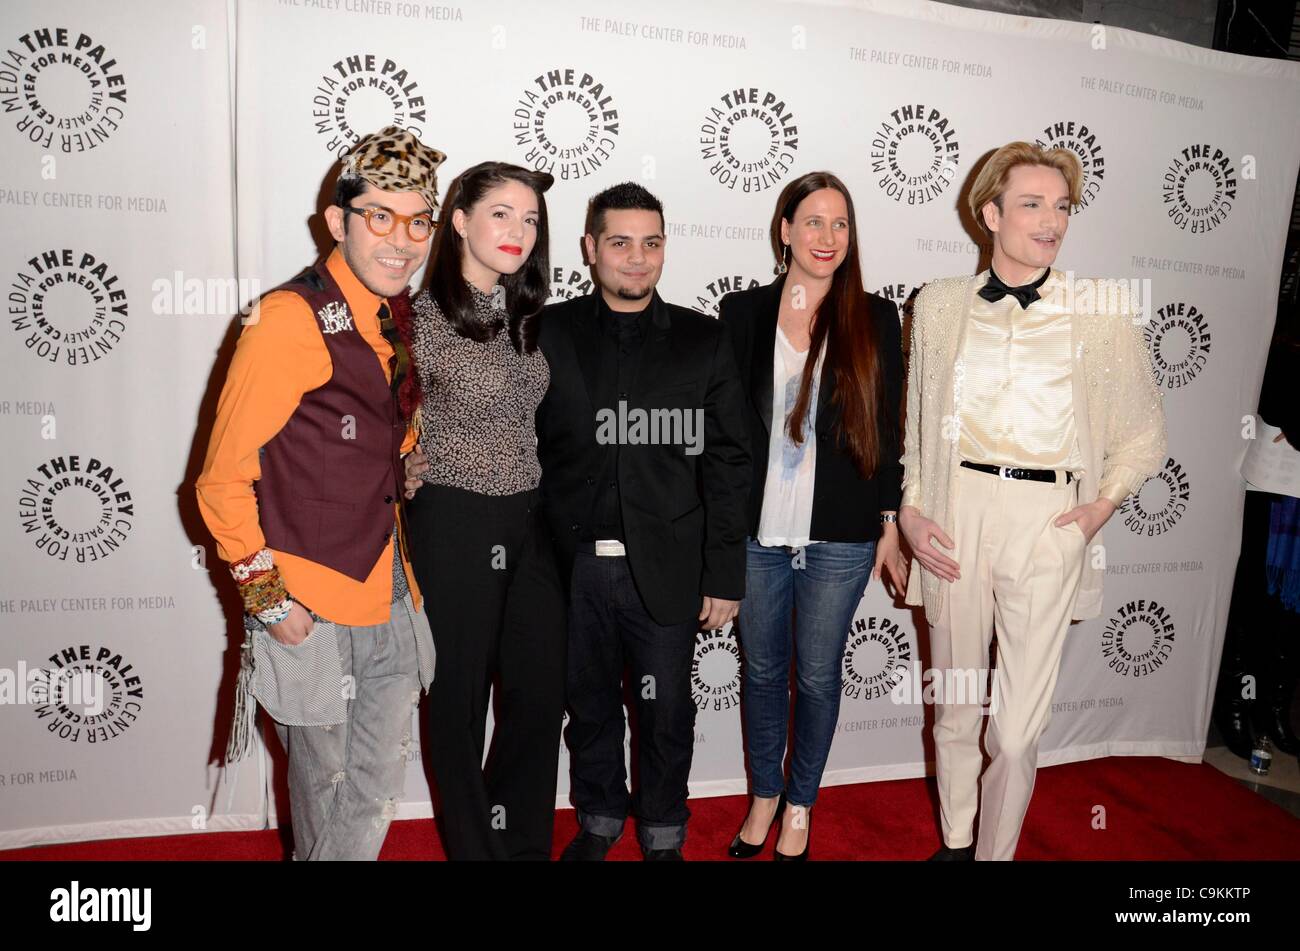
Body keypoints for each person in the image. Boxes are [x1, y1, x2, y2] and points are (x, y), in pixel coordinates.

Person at [899, 141, 1167, 861]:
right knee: (956, 706)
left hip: (1049, 524)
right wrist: (914, 512)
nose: (1051, 221)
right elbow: (921, 430)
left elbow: (1143, 433)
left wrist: (1100, 508)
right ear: (990, 213)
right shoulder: (940, 305)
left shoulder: (1102, 312)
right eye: (1032, 204)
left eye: (1063, 207)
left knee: (1014, 730)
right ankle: (956, 843)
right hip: (958, 516)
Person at [195, 126, 442, 860]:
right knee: (324, 774)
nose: (402, 240)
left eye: (417, 221)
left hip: (391, 583)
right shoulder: (286, 319)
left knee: (376, 777)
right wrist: (269, 597)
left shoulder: (392, 313)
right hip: (309, 593)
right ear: (337, 221)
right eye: (380, 217)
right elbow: (220, 479)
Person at [535, 182, 751, 860]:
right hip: (569, 567)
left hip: (666, 567)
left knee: (665, 712)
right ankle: (598, 818)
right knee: (588, 704)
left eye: (651, 243)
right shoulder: (547, 332)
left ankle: (662, 830)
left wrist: (724, 572)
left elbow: (729, 461)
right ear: (590, 248)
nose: (637, 258)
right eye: (621, 243)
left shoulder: (703, 339)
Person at [719, 171, 907, 861]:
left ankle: (801, 803)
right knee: (762, 671)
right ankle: (764, 794)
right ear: (785, 230)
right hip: (758, 532)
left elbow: (888, 428)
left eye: (841, 224)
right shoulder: (742, 314)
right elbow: (721, 431)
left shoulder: (876, 317)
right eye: (814, 222)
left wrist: (889, 521)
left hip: (840, 534)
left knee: (819, 675)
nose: (828, 238)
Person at [401, 161, 567, 860]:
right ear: (459, 220)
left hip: (529, 520)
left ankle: (519, 845)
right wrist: (402, 460)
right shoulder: (415, 315)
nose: (519, 231)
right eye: (501, 213)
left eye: (530, 218)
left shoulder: (528, 316)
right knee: (459, 700)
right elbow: (375, 414)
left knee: (537, 696)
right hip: (452, 519)